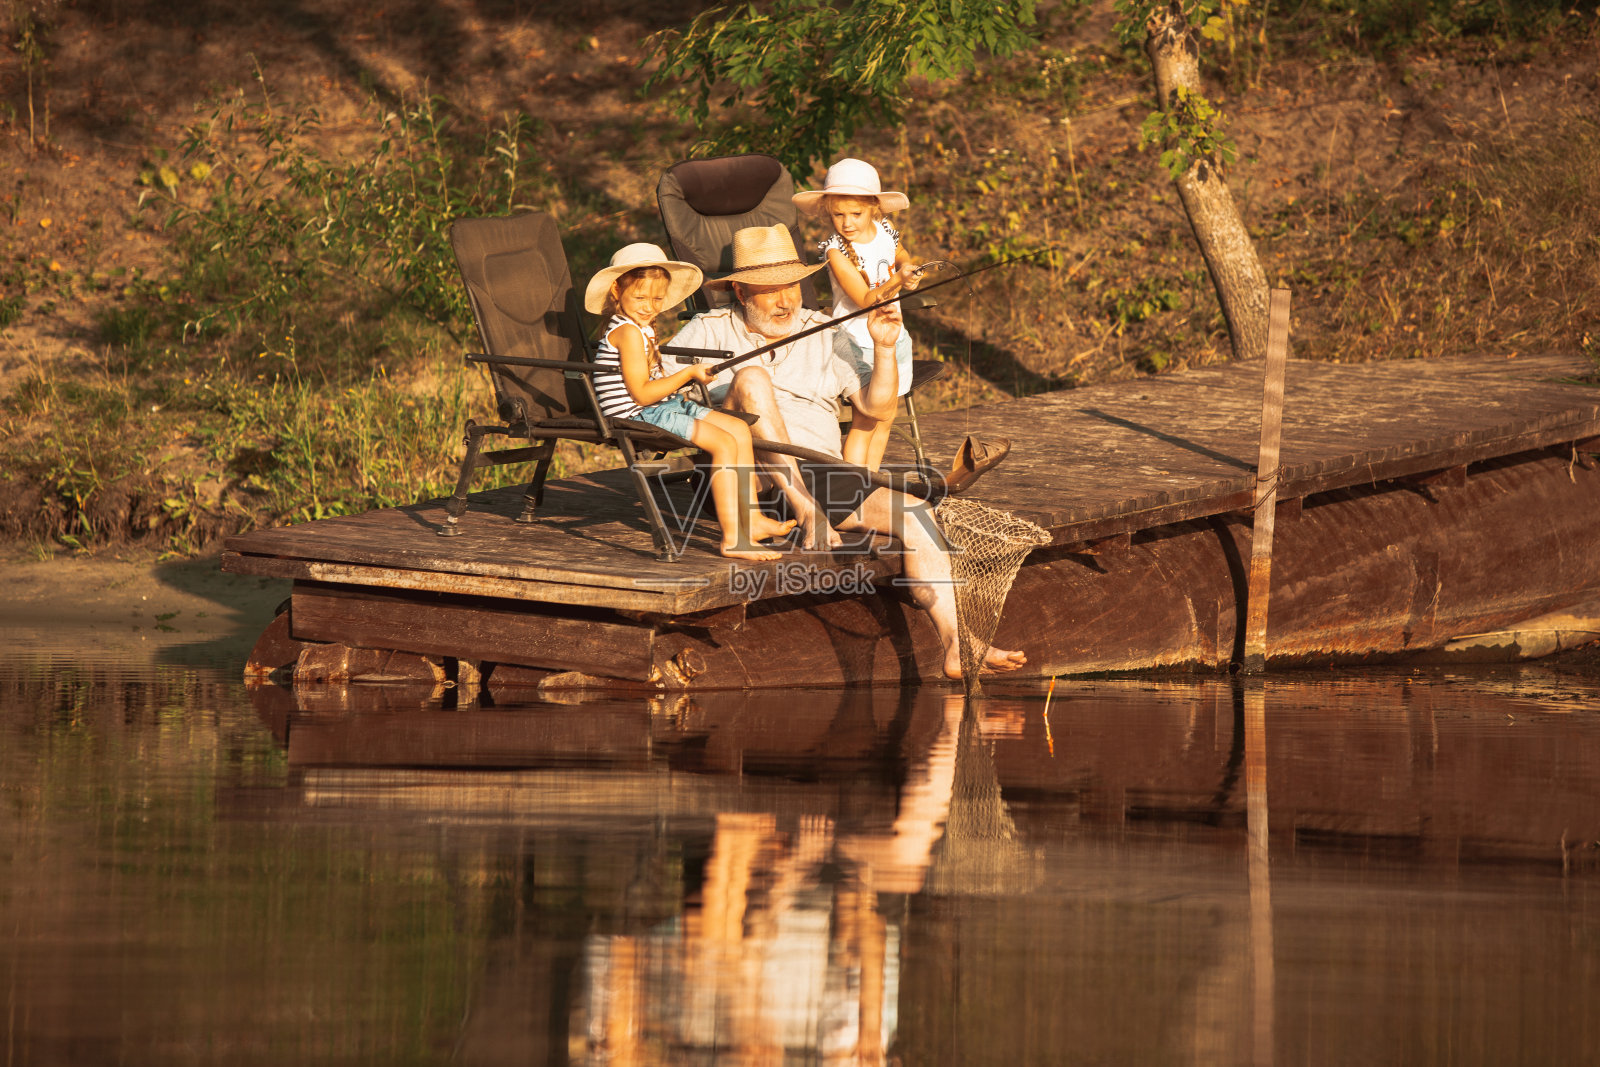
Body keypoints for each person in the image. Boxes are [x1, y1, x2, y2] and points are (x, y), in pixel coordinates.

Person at [663, 225, 1026, 679]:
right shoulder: (706, 331)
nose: (785, 301)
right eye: (770, 290)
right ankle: (807, 509)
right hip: (750, 482)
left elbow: (876, 407)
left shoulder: (823, 330)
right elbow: (646, 392)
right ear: (739, 291)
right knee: (752, 379)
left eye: (792, 287)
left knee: (917, 516)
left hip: (826, 475)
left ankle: (958, 646)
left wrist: (884, 347)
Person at [585, 242, 796, 561]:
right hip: (634, 413)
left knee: (738, 429)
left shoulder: (642, 327)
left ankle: (751, 520)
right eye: (640, 297)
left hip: (654, 406)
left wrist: (687, 378)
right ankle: (733, 539)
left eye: (657, 299)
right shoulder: (627, 333)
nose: (648, 306)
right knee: (723, 444)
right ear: (617, 291)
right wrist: (688, 375)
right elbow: (641, 393)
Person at [793, 157, 923, 472]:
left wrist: (908, 268)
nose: (847, 222)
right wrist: (897, 281)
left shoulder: (885, 229)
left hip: (893, 340)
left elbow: (900, 254)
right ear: (827, 212)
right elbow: (866, 299)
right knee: (866, 419)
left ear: (873, 209)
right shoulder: (834, 250)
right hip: (856, 343)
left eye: (856, 213)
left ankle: (871, 484)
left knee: (887, 419)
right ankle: (850, 485)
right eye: (838, 215)